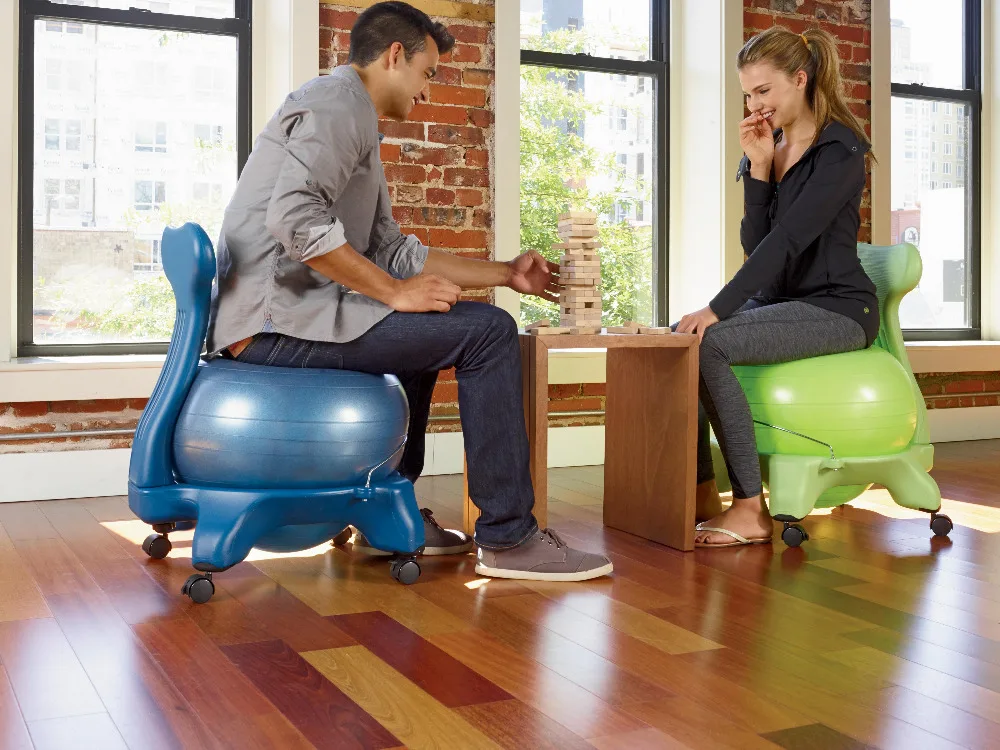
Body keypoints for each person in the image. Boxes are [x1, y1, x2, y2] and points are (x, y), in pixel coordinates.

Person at [205, 1, 613, 581]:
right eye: (428, 72)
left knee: (439, 323)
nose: (427, 88)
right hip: (272, 324)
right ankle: (509, 538)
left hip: (289, 316)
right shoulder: (337, 106)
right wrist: (395, 294)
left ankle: (387, 511)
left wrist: (506, 274)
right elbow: (294, 220)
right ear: (395, 56)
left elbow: (393, 249)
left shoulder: (353, 114)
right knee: (490, 332)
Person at [674, 26, 880, 548]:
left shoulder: (840, 149)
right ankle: (700, 493)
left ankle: (750, 510)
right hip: (782, 301)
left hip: (838, 309)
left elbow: (787, 242)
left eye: (763, 91)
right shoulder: (772, 144)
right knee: (680, 337)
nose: (754, 105)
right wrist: (761, 168)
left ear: (800, 79)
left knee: (711, 340)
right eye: (747, 94)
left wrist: (718, 308)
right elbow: (756, 242)